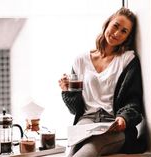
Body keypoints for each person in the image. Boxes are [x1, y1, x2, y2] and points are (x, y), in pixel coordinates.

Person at [58, 7, 144, 157]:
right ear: (108, 23)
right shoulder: (81, 60)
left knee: (87, 151)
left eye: (124, 31)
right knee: (71, 152)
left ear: (128, 37)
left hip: (113, 124)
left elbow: (134, 100)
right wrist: (67, 91)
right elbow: (75, 109)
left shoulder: (127, 59)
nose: (117, 33)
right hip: (86, 122)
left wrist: (124, 117)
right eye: (116, 26)